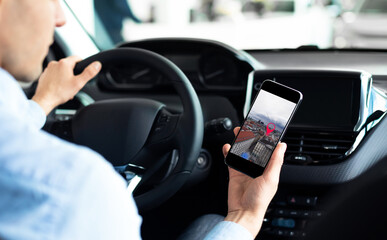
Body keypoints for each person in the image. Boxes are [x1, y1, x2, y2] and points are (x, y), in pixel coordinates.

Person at [0, 0, 286, 239]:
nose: (60, 17)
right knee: (211, 223)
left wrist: (42, 103)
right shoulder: (75, 191)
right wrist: (244, 217)